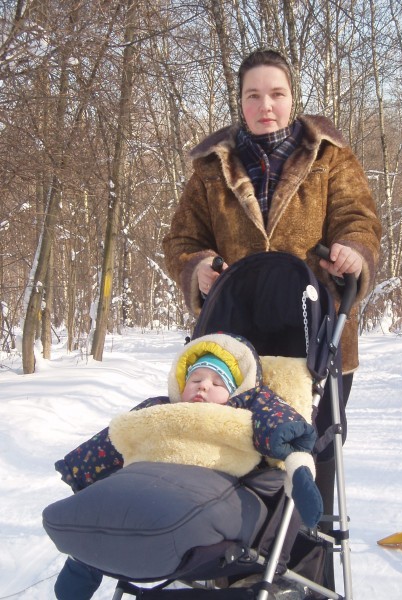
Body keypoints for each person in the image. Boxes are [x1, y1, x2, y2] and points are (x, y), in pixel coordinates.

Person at [162, 48, 382, 589]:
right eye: (254, 95)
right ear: (240, 102)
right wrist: (198, 266)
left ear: (292, 97)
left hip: (318, 338)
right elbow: (181, 239)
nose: (266, 106)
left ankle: (306, 574)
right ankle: (231, 568)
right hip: (234, 344)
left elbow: (359, 218)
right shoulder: (212, 169)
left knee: (310, 453)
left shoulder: (330, 157)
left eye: (276, 94)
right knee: (229, 449)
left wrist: (354, 249)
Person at [53, 332, 322, 600]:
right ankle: (84, 557)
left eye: (217, 382)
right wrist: (79, 471)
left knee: (153, 518)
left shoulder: (245, 410)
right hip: (144, 476)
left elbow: (280, 424)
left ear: (237, 391)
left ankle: (86, 556)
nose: (203, 386)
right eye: (195, 379)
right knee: (102, 509)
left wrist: (299, 468)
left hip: (207, 484)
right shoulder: (160, 407)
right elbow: (114, 439)